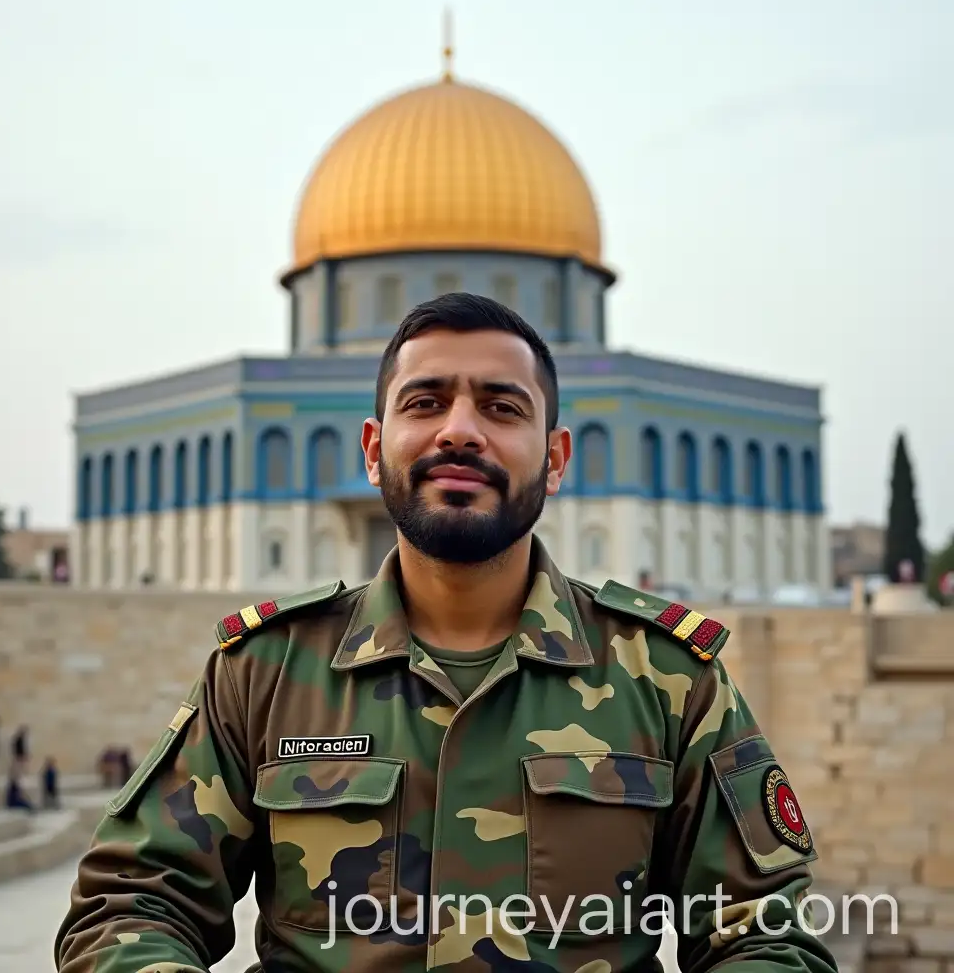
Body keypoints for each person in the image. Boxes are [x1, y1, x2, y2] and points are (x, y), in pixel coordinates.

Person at [55, 294, 837, 973]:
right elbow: (130, 903)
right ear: (371, 448)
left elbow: (768, 930)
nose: (460, 432)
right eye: (425, 403)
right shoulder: (267, 672)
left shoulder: (664, 677)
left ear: (556, 459)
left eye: (502, 407)